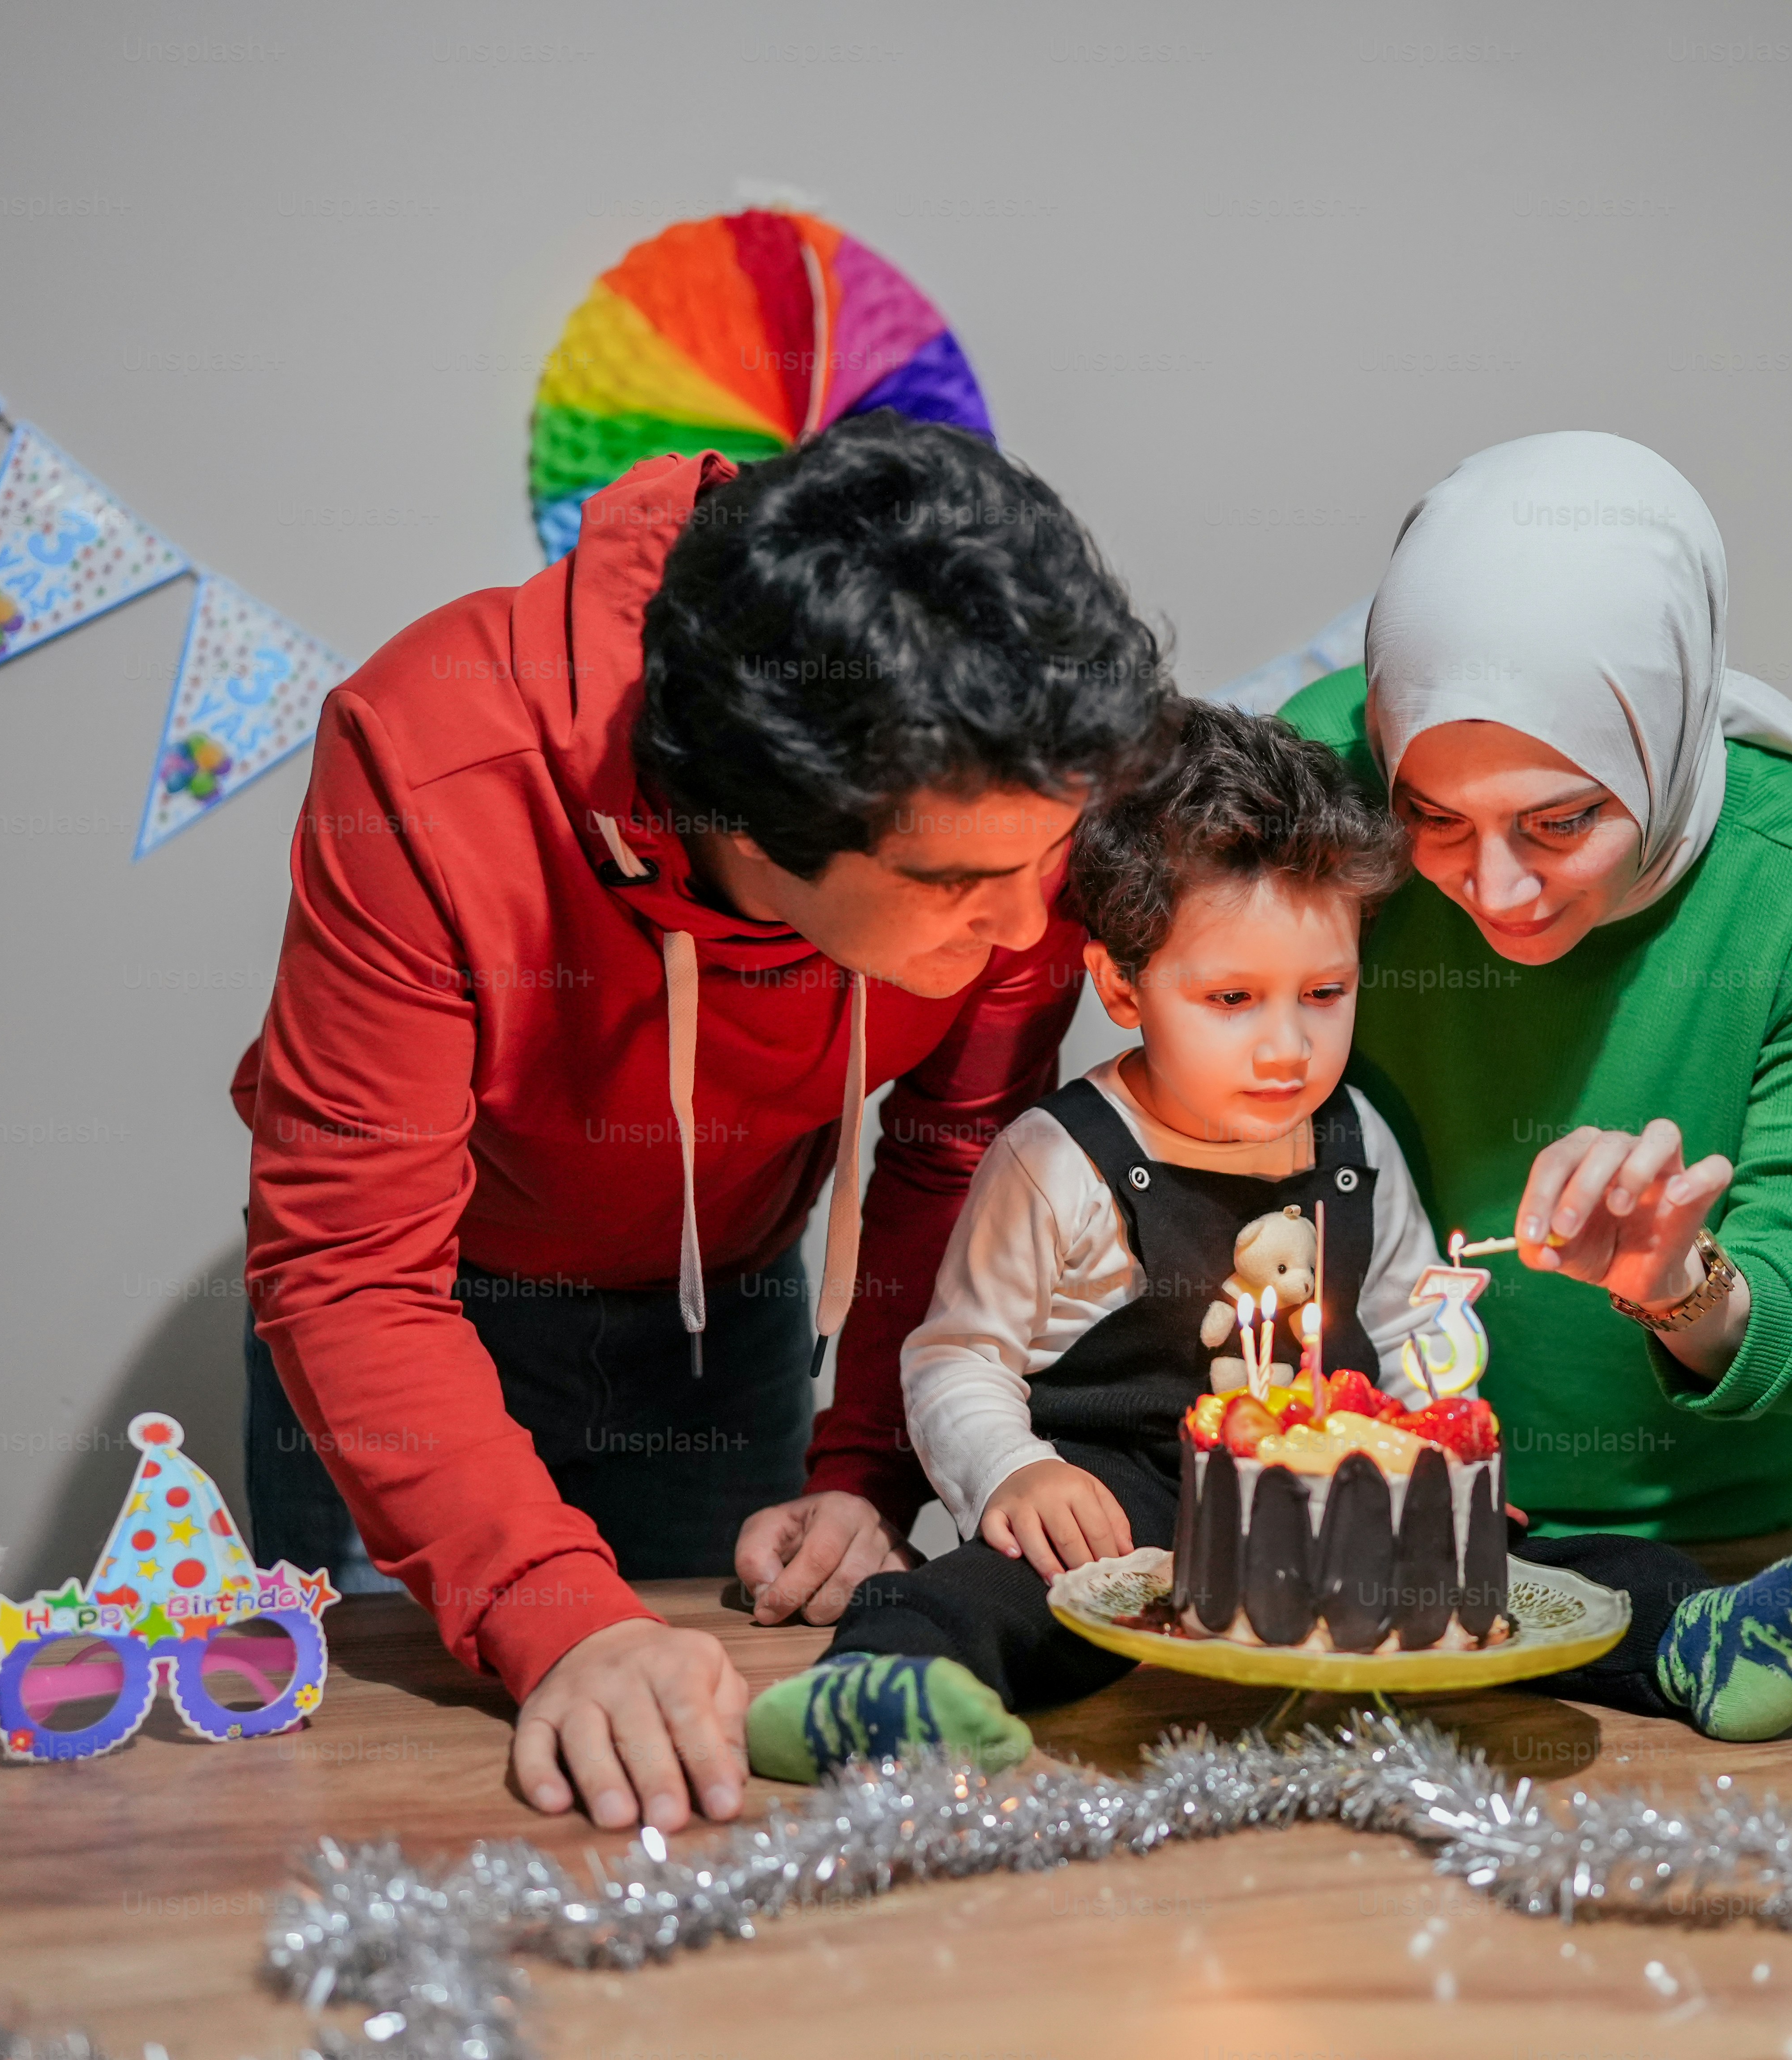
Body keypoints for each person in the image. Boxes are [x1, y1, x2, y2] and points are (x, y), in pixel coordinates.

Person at [233, 416, 1173, 1833]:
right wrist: (560, 1616)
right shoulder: (429, 756)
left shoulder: (1012, 802)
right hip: (419, 1331)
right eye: (962, 882)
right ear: (757, 817)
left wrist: (863, 1468)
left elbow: (951, 1163)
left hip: (727, 1311)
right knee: (400, 1817)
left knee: (717, 1780)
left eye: (1054, 855)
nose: (1033, 925)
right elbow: (353, 1271)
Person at [741, 704, 1792, 1780]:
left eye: (1326, 991)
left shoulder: (1355, 1135)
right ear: (1119, 982)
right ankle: (873, 1692)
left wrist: (1441, 1437)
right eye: (1233, 999)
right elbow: (955, 1356)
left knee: (1544, 1575)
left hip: (1339, 1501)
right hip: (1127, 1512)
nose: (1287, 1048)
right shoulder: (1060, 1159)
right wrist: (1015, 1473)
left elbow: (1409, 1316)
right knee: (980, 1596)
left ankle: (1714, 1643)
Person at [1277, 430, 1792, 1568]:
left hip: (1684, 1545)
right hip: (1332, 1518)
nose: (1500, 888)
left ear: (1663, 740)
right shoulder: (1315, 788)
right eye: (1432, 818)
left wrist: (1679, 1284)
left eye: (1561, 821)